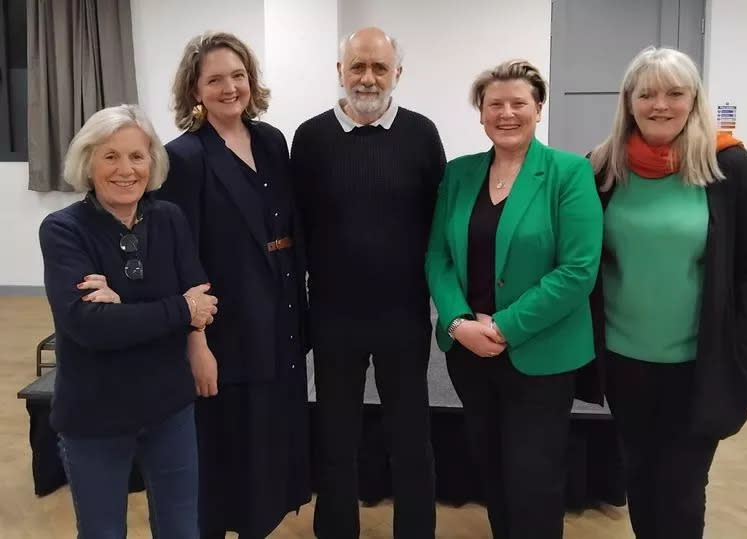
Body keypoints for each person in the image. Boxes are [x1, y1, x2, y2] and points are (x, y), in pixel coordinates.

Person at [588, 46, 747, 539]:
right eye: (646, 93)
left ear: (694, 99)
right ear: (628, 102)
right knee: (639, 476)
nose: (660, 105)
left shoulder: (729, 167)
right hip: (624, 359)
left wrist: (745, 342)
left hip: (700, 363)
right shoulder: (602, 167)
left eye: (676, 93)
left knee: (682, 487)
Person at [425, 59, 603, 539]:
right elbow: (438, 255)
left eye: (518, 103)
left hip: (541, 353)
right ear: (480, 113)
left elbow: (579, 269)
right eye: (494, 104)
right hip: (468, 352)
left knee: (535, 477)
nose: (506, 113)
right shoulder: (460, 174)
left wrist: (504, 326)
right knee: (493, 469)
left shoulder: (568, 173)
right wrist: (457, 322)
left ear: (538, 109)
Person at [291, 27, 445, 539]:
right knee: (335, 433)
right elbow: (299, 224)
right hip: (333, 314)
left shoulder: (422, 135)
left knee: (411, 434)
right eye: (357, 66)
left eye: (380, 67)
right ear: (339, 71)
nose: (368, 77)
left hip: (404, 314)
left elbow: (437, 223)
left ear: (397, 74)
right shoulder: (309, 138)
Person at [157, 32, 310, 538]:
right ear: (195, 90)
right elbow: (182, 261)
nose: (230, 88)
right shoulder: (184, 157)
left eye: (238, 75)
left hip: (280, 323)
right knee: (227, 461)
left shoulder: (272, 141)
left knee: (268, 459)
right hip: (226, 332)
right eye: (215, 79)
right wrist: (195, 344)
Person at [39, 104, 218, 538]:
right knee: (103, 532)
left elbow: (202, 298)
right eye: (110, 156)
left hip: (168, 405)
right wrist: (177, 310)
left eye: (137, 156)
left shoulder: (169, 218)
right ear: (88, 162)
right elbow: (90, 326)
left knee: (181, 528)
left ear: (152, 161)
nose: (126, 170)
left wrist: (125, 305)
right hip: (94, 413)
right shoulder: (63, 230)